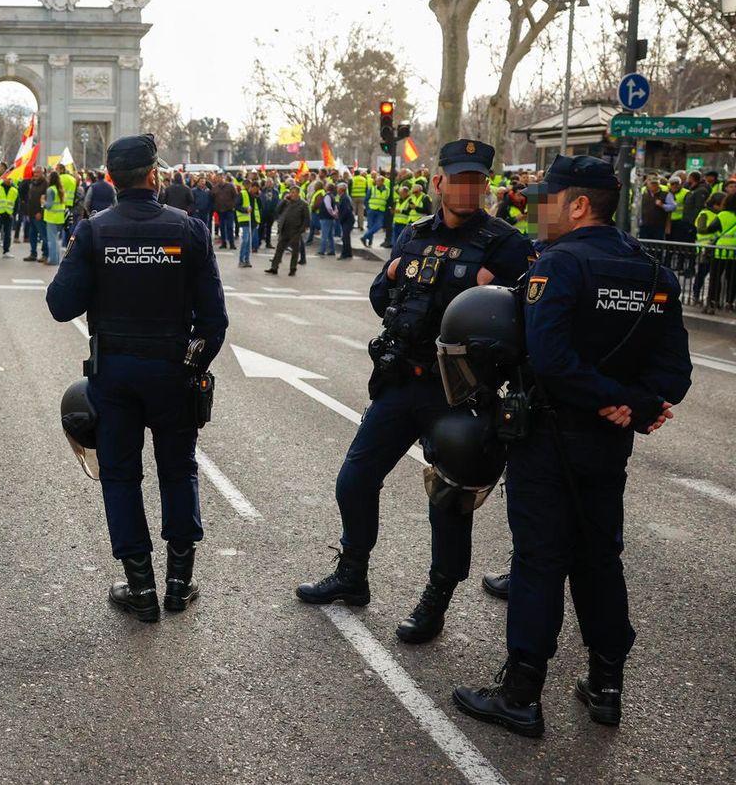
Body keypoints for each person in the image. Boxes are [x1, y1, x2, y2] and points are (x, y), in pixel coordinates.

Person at [454, 155, 693, 737]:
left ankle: (521, 694)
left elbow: (553, 361)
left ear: (578, 204)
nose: (539, 209)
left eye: (548, 198)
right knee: (599, 559)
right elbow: (675, 372)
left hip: (548, 434)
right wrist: (631, 404)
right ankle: (606, 686)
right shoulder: (653, 271)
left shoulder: (556, 267)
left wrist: (608, 398)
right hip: (609, 442)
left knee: (539, 560)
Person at [293, 140, 531, 644]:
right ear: (439, 181)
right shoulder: (415, 233)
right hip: (404, 379)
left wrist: (485, 295)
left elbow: (514, 325)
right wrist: (403, 278)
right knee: (355, 478)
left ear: (485, 185)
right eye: (457, 178)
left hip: (461, 391)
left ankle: (436, 599)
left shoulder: (506, 244)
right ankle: (352, 573)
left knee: (447, 500)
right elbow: (384, 296)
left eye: (476, 179)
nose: (466, 188)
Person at [45, 134, 228, 622]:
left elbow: (60, 306)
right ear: (154, 176)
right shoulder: (188, 230)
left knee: (121, 477)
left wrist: (78, 252)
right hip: (174, 373)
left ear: (110, 179)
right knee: (179, 470)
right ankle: (179, 584)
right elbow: (214, 323)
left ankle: (140, 589)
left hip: (116, 376)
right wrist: (191, 365)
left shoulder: (93, 231)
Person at [265, 184, 309, 276]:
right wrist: (284, 200)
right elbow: (278, 210)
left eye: (293, 192)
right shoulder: (287, 202)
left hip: (295, 230)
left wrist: (301, 230)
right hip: (285, 229)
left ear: (298, 193)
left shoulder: (303, 204)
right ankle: (274, 267)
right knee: (279, 249)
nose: (291, 194)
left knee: (295, 251)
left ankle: (293, 268)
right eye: (290, 192)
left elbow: (306, 219)